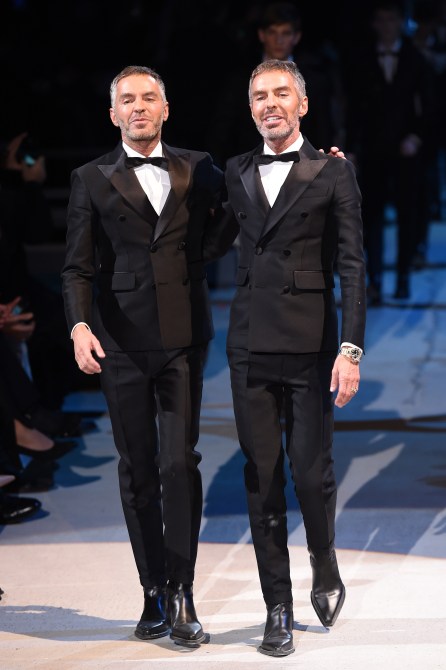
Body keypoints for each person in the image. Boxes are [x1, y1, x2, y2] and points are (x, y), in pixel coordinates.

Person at [61, 65, 235, 649]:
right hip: (121, 342)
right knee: (137, 469)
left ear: (165, 108)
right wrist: (79, 325)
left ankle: (183, 590)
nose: (138, 107)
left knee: (179, 463)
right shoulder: (90, 178)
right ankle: (152, 590)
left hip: (184, 338)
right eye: (127, 100)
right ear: (113, 114)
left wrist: (324, 167)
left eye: (149, 97)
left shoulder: (199, 166)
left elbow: (238, 211)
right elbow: (77, 265)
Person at [218, 59, 366, 656]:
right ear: (250, 107)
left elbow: (352, 265)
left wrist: (350, 349)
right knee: (262, 478)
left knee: (310, 471)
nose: (270, 103)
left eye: (282, 93)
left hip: (311, 343)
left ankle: (323, 558)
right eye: (260, 95)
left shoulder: (333, 171)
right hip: (249, 343)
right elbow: (200, 234)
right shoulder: (234, 170)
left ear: (302, 104)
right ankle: (276, 606)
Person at [342, 0, 436, 303]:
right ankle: (375, 279)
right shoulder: (362, 59)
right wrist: (352, 148)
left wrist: (417, 138)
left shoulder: (415, 59)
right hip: (372, 149)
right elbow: (354, 108)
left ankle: (403, 276)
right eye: (381, 20)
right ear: (374, 23)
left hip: (406, 150)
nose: (386, 26)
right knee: (371, 217)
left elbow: (430, 106)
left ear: (400, 22)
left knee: (408, 214)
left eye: (391, 19)